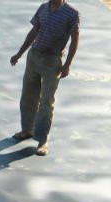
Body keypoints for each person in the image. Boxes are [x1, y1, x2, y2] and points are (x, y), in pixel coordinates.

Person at [10, 0, 79, 156]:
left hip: (52, 60)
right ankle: (27, 130)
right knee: (28, 96)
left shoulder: (72, 13)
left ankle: (42, 140)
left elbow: (75, 40)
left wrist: (67, 65)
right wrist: (19, 53)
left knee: (46, 101)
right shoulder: (43, 8)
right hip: (34, 56)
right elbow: (34, 31)